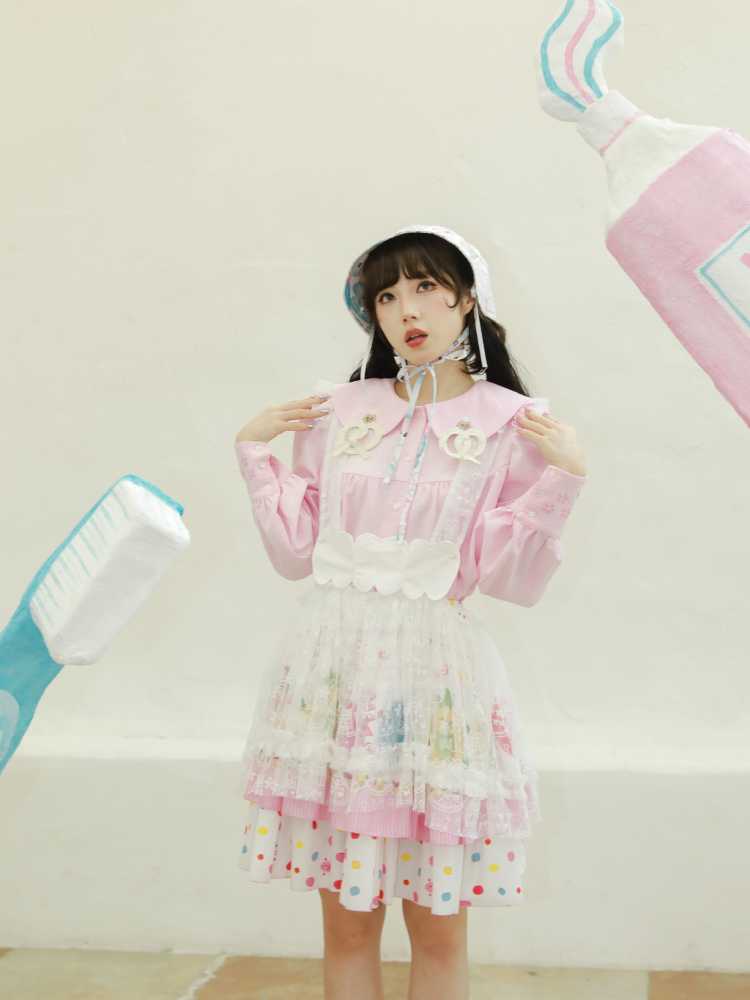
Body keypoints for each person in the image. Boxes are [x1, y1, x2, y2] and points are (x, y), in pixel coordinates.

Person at [233, 225, 588, 1000]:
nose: (407, 311)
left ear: (467, 297)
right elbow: (296, 552)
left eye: (425, 287)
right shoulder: (338, 410)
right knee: (347, 928)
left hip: (436, 682)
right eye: (387, 297)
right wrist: (255, 452)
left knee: (438, 929)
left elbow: (509, 578)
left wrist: (562, 480)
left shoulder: (511, 423)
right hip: (333, 678)